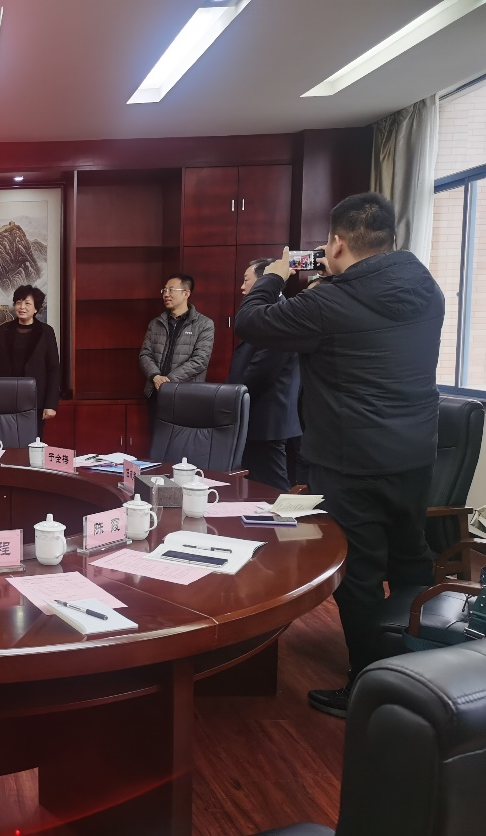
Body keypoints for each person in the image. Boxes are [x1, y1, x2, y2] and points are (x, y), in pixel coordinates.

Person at [235, 192, 444, 718]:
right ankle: (425, 674)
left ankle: (368, 690)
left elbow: (252, 322)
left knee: (359, 575)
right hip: (415, 452)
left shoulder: (328, 303)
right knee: (411, 558)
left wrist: (275, 276)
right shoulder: (426, 286)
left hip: (352, 459)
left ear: (336, 243)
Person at [226, 259, 300, 491]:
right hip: (259, 414)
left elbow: (262, 370)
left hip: (267, 417)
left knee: (271, 485)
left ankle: (288, 516)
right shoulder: (268, 310)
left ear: (264, 280)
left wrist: (234, 397)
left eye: (246, 280)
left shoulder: (280, 313)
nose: (242, 287)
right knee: (258, 483)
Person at [0, 284, 60, 435]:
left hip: (36, 400)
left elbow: (54, 369)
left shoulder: (46, 332)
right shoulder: (4, 330)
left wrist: (51, 404)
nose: (22, 307)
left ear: (36, 308)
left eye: (27, 303)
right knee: (6, 439)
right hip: (6, 398)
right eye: (18, 302)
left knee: (32, 441)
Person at [138, 274, 215, 417]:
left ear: (186, 293)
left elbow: (200, 360)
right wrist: (156, 377)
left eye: (171, 290)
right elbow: (145, 355)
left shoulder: (204, 324)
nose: (166, 294)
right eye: (164, 290)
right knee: (156, 431)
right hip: (156, 392)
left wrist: (168, 381)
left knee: (184, 431)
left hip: (187, 395)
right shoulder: (156, 323)